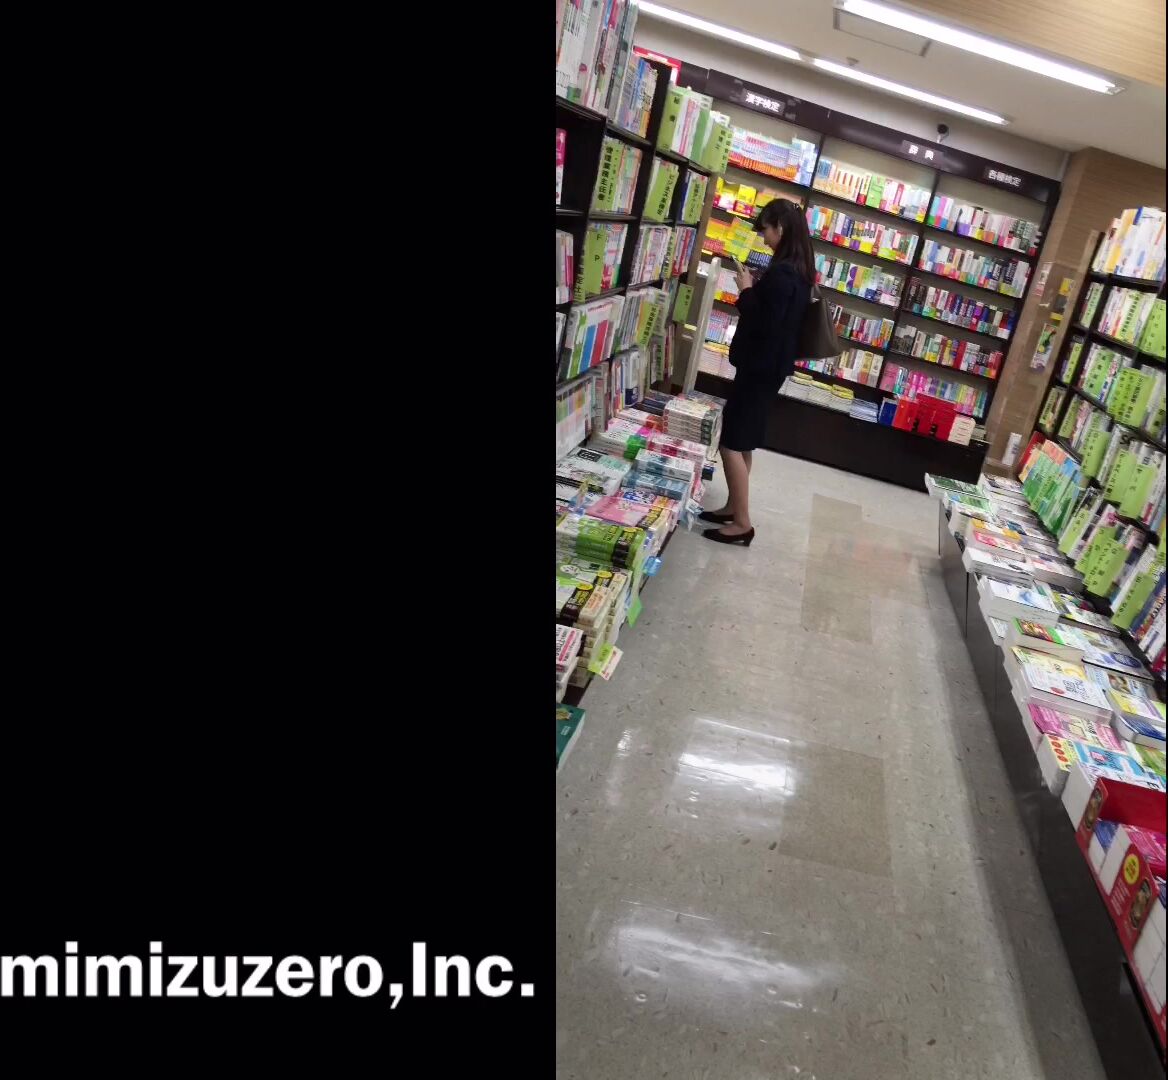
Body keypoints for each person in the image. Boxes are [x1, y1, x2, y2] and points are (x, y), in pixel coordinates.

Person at [701, 198, 814, 546]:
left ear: (780, 227)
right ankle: (735, 507)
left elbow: (766, 324)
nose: (763, 238)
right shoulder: (800, 270)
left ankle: (742, 523)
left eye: (765, 229)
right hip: (770, 367)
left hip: (759, 367)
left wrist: (746, 289)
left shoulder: (782, 274)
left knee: (731, 442)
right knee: (744, 439)